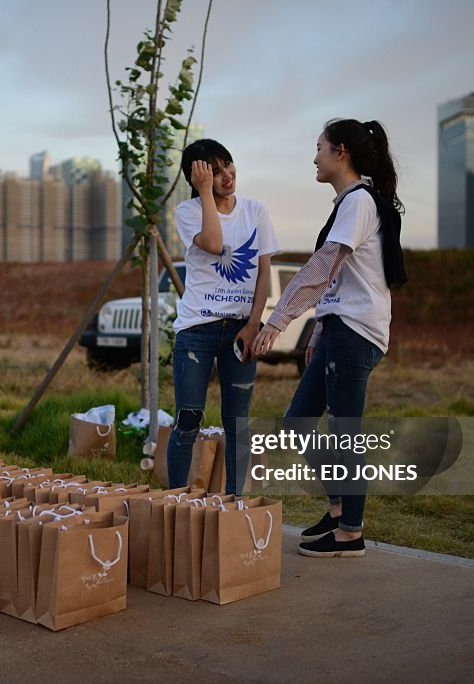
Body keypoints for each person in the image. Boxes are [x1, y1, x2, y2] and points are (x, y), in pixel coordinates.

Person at [252, 119, 407, 557]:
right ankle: (339, 509)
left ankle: (350, 534)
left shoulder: (359, 201)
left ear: (341, 152)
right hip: (339, 330)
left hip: (356, 334)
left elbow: (322, 268)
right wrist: (317, 330)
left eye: (318, 147)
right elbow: (338, 281)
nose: (314, 156)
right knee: (297, 423)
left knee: (344, 434)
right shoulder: (349, 203)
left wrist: (277, 320)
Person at [167, 139, 281, 495]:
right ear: (198, 176)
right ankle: (176, 503)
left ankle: (234, 504)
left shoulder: (256, 210)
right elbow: (215, 244)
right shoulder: (187, 212)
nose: (226, 175)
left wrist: (253, 324)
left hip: (240, 330)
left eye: (228, 164)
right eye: (213, 171)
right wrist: (204, 193)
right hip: (196, 330)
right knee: (188, 420)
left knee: (238, 424)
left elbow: (264, 271)